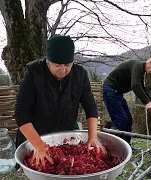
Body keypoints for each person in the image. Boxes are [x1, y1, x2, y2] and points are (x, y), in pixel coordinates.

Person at [14, 35, 105, 169]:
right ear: (48, 61)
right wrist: (38, 145)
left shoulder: (80, 74)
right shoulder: (34, 72)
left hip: (64, 136)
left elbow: (91, 107)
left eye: (67, 65)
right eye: (57, 65)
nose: (63, 70)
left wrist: (93, 137)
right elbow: (20, 112)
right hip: (35, 135)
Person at [103, 58, 151, 147]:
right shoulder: (137, 66)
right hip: (110, 89)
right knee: (121, 120)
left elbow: (141, 87)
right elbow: (135, 85)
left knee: (128, 119)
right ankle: (116, 147)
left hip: (117, 92)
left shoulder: (141, 70)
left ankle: (126, 146)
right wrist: (147, 103)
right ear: (150, 62)